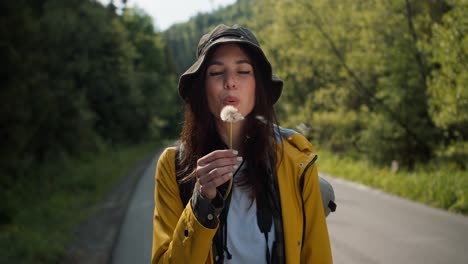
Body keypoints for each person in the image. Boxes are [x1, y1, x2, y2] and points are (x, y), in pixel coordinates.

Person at [151, 24, 332, 264]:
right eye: (216, 73)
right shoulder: (174, 167)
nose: (230, 82)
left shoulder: (296, 161)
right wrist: (201, 202)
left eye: (243, 71)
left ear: (259, 86)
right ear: (202, 89)